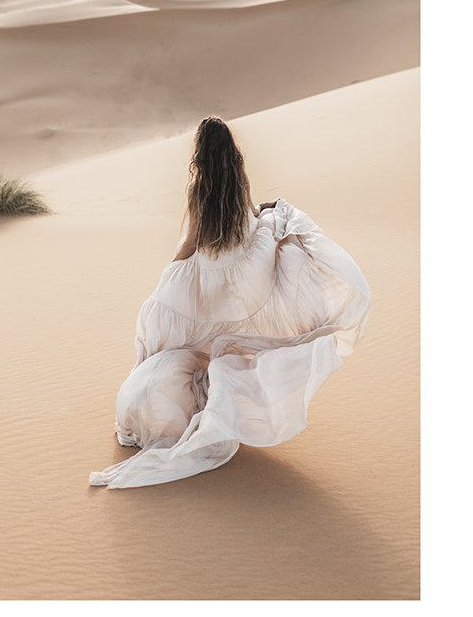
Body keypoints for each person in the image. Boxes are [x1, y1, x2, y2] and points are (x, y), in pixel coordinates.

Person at [89, 116, 371, 489]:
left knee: (176, 325)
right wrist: (272, 216)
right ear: (232, 151)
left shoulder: (197, 190)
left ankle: (203, 400)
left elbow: (191, 241)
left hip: (212, 279)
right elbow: (253, 218)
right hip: (247, 278)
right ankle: (216, 397)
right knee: (275, 227)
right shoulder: (239, 181)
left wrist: (171, 277)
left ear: (199, 155)